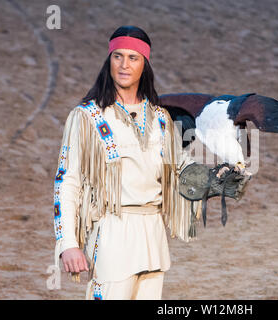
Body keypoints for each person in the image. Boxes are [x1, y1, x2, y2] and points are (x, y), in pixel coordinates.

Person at [53, 26, 232, 300]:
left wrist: (216, 181)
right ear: (109, 60)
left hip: (152, 236)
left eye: (133, 58)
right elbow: (68, 182)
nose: (124, 65)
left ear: (144, 64)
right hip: (112, 233)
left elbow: (180, 169)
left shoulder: (161, 118)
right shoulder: (86, 117)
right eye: (118, 56)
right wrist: (68, 244)